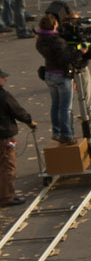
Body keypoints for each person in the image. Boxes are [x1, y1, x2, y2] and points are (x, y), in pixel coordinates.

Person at [35, 13, 91, 145]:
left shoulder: (41, 40)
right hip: (61, 76)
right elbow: (66, 58)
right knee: (65, 107)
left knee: (55, 105)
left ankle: (56, 132)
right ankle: (67, 135)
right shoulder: (57, 41)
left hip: (49, 74)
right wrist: (80, 51)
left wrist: (72, 48)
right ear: (54, 25)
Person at [0, 67, 36, 206]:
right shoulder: (3, 95)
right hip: (4, 138)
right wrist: (29, 121)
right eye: (2, 77)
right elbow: (17, 111)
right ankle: (6, 197)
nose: (5, 79)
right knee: (8, 165)